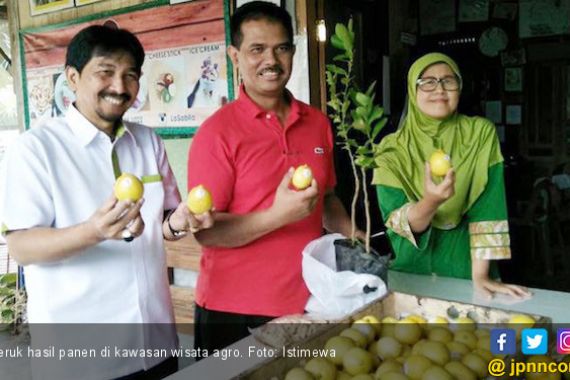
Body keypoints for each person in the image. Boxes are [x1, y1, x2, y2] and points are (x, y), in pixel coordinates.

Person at [0, 25, 212, 379]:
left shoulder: (147, 142)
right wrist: (93, 231)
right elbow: (22, 247)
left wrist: (180, 222)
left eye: (130, 75)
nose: (120, 86)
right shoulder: (36, 150)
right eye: (105, 72)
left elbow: (163, 221)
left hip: (157, 345)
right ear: (72, 77)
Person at [187, 1, 358, 352]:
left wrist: (357, 236)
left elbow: (326, 198)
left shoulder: (317, 122)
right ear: (234, 55)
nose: (271, 61)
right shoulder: (216, 133)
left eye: (281, 48)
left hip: (309, 303)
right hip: (233, 311)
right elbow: (208, 232)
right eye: (257, 50)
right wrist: (278, 216)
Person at [373, 52, 531, 299]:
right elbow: (399, 224)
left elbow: (489, 207)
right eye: (427, 82)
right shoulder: (390, 149)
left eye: (449, 80)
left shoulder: (480, 133)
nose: (440, 89)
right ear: (412, 91)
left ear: (460, 87)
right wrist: (431, 201)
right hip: (414, 271)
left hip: (469, 264)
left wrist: (480, 275)